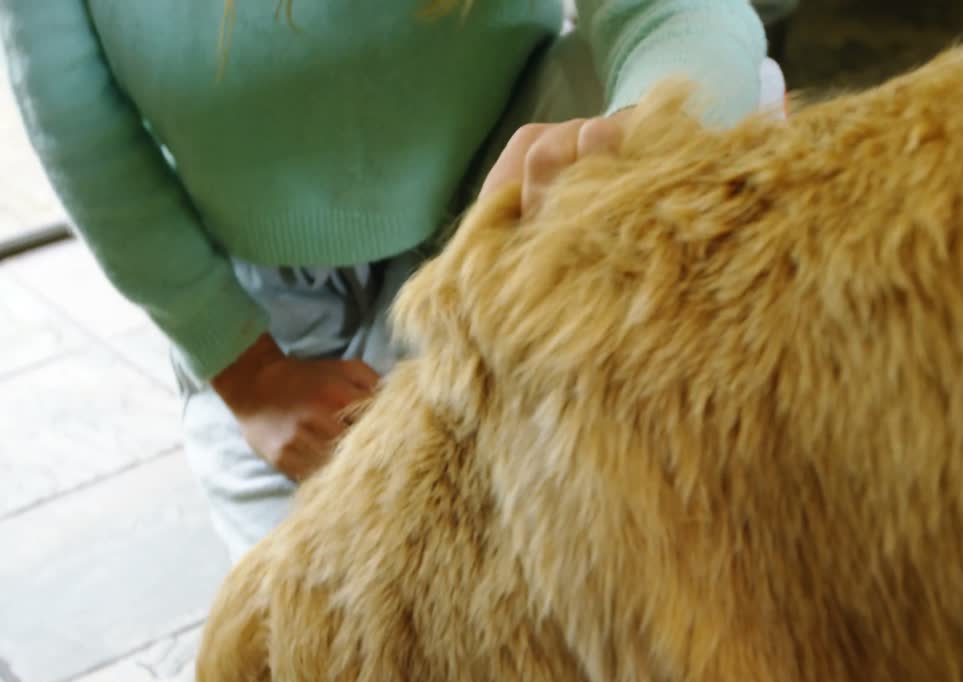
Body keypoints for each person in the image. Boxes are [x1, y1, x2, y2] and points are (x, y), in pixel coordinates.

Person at [1, 0, 784, 564]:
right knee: (313, 631)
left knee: (739, 95)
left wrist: (642, 140)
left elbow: (679, 13)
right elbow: (82, 135)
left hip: (503, 199)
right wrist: (243, 369)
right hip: (269, 305)